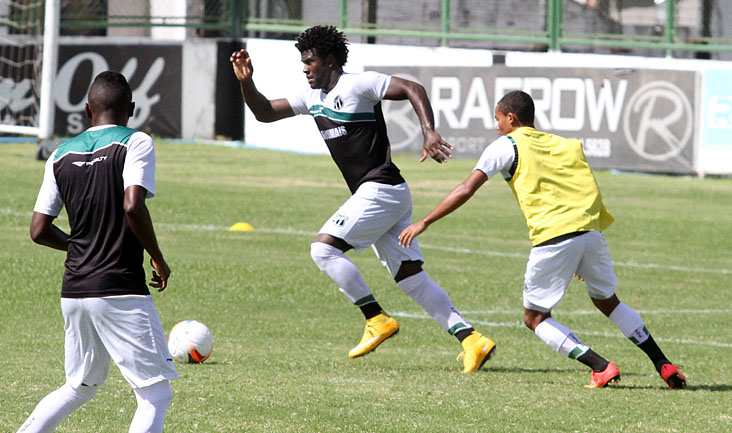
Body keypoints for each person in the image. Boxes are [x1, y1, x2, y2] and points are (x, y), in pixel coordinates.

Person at [230, 25, 495, 373]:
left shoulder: (359, 84)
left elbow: (413, 88)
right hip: (389, 193)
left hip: (380, 189)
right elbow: (264, 111)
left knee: (323, 249)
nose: (305, 68)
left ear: (329, 60)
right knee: (410, 276)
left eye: (309, 61)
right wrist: (246, 81)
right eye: (302, 62)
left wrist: (428, 130)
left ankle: (376, 318)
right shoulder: (313, 98)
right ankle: (472, 339)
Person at [399, 90, 686, 389]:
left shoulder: (506, 145)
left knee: (534, 318)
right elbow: (586, 188)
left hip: (553, 237)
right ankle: (663, 364)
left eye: (497, 119)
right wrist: (581, 247)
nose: (496, 125)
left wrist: (425, 221)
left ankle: (600, 366)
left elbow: (466, 189)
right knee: (609, 302)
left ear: (511, 118)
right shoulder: (566, 144)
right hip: (590, 231)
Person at [18, 71, 178, 433]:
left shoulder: (59, 154)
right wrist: (157, 255)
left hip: (74, 290)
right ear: (132, 109)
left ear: (87, 109)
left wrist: (79, 247)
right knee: (155, 395)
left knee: (80, 386)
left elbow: (38, 230)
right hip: (120, 287)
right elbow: (133, 205)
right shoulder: (135, 142)